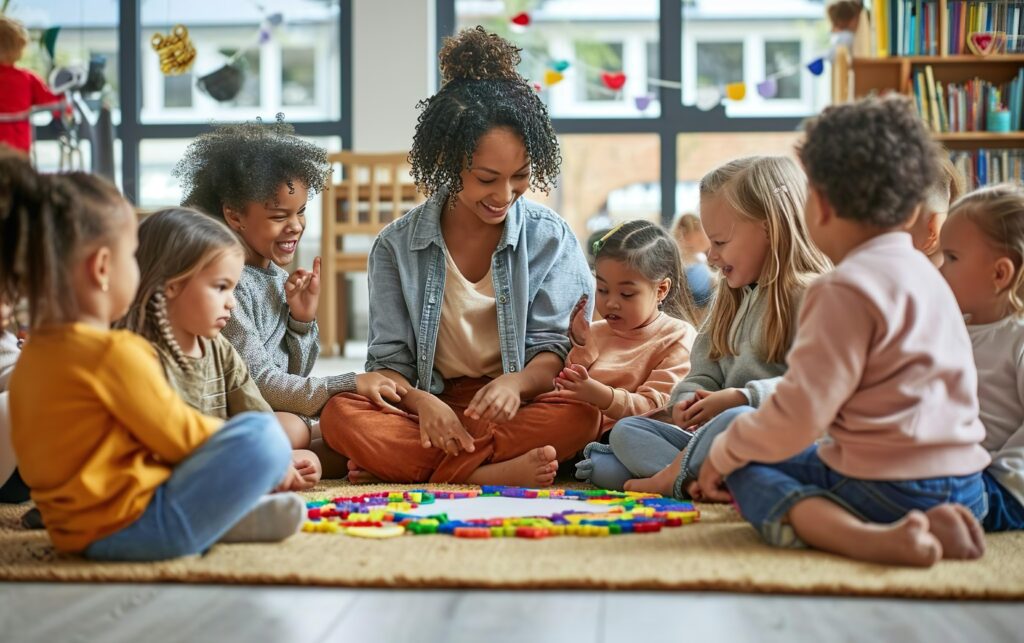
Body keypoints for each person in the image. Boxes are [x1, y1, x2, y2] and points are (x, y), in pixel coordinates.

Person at [319, 26, 600, 487]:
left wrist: (514, 384)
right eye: (487, 178)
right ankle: (488, 471)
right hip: (431, 401)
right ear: (450, 163)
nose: (504, 194)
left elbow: (552, 353)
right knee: (339, 414)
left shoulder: (552, 238)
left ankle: (430, 469)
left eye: (520, 176)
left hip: (516, 404)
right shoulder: (395, 247)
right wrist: (422, 405)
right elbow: (389, 363)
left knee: (582, 412)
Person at [1, 150, 303, 561]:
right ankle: (212, 521)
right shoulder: (116, 353)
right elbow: (181, 437)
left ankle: (222, 519)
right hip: (136, 526)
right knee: (264, 437)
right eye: (131, 256)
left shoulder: (32, 356)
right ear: (103, 268)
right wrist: (264, 456)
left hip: (70, 529)